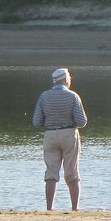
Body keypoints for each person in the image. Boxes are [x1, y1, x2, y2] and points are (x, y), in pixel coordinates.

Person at [32, 67, 88, 210]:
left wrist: (51, 123)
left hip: (50, 135)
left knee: (51, 173)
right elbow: (82, 121)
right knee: (72, 172)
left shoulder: (44, 96)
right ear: (65, 79)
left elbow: (37, 122)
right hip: (69, 134)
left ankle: (49, 208)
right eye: (69, 78)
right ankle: (75, 208)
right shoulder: (73, 96)